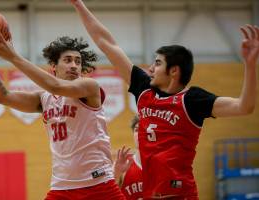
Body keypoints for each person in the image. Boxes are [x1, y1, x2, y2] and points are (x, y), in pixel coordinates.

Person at [70, 0, 259, 199]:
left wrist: (250, 65)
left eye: (158, 63)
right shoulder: (144, 89)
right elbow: (107, 43)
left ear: (174, 71)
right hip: (151, 194)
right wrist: (78, 4)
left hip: (181, 194)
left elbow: (243, 107)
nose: (151, 68)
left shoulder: (193, 100)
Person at [0, 34, 126, 200]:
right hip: (62, 186)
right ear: (53, 66)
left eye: (78, 62)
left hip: (98, 184)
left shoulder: (89, 87)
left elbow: (55, 86)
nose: (74, 65)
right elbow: (3, 97)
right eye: (68, 60)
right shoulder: (44, 99)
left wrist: (13, 57)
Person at [114, 115, 143, 200]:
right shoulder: (124, 165)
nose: (139, 134)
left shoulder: (161, 165)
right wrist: (115, 174)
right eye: (137, 130)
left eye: (143, 130)